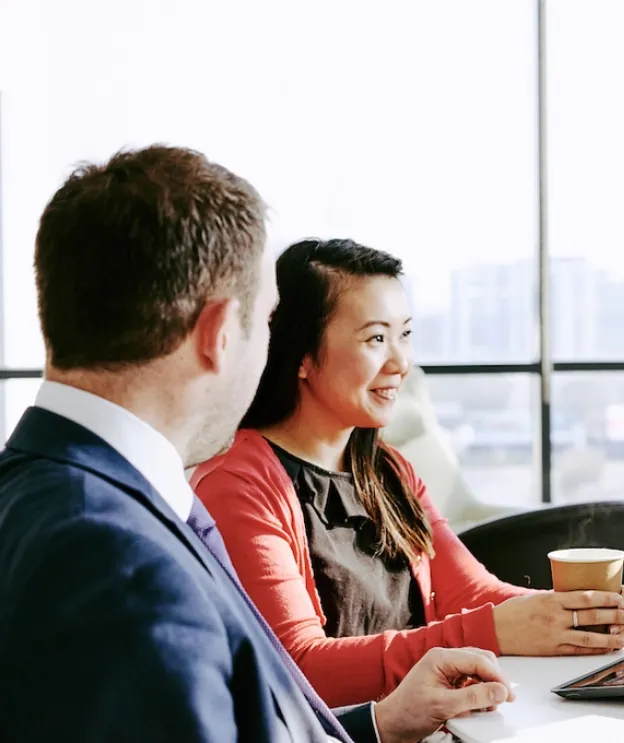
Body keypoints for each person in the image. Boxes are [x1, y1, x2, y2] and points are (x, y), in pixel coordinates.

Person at [0, 147, 514, 743]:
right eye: (266, 323)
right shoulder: (119, 559)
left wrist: (376, 727)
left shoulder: (54, 492)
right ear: (220, 334)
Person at [192, 238, 624, 708]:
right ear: (302, 353)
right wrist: (494, 630)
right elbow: (297, 669)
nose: (401, 363)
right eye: (375, 339)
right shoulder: (238, 482)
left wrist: (563, 615)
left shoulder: (388, 469)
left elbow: (469, 592)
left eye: (404, 335)